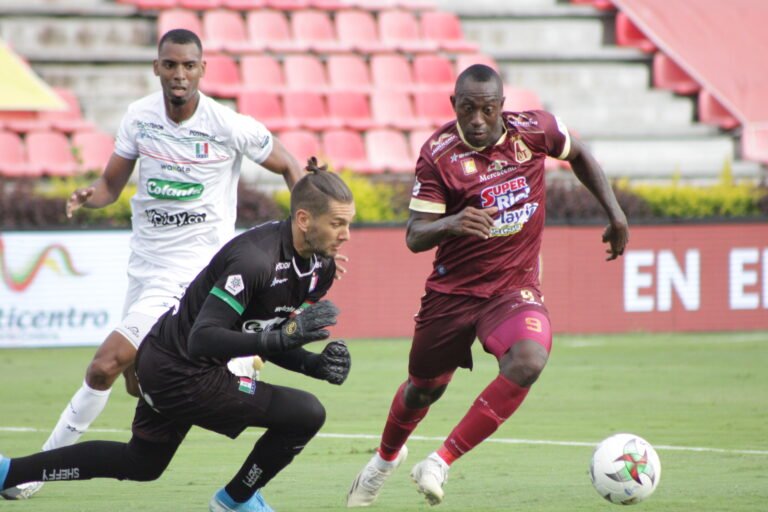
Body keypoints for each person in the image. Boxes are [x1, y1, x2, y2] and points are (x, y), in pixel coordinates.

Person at [1, 28, 306, 500]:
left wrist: (307, 221)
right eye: (170, 64)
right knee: (136, 385)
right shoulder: (139, 118)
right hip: (144, 270)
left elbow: (289, 165)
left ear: (202, 70)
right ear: (157, 68)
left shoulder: (227, 124)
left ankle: (27, 474)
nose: (179, 74)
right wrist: (91, 196)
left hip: (192, 276)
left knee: (104, 366)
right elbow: (111, 184)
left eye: (189, 65)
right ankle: (233, 366)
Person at [346, 64, 629, 507]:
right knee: (424, 388)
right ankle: (384, 461)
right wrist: (454, 222)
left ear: (501, 106)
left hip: (512, 290)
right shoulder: (438, 155)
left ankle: (439, 461)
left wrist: (615, 214)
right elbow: (414, 236)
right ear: (453, 105)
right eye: (467, 109)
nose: (477, 120)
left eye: (487, 109)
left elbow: (579, 154)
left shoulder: (535, 131)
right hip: (452, 295)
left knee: (529, 360)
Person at [0, 161, 356, 512]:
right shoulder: (255, 260)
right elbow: (205, 338)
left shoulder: (320, 268)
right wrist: (280, 339)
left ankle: (8, 472)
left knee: (142, 463)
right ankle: (236, 501)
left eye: (348, 224)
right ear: (304, 219)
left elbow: (260, 332)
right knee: (306, 413)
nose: (346, 235)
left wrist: (313, 365)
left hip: (169, 361)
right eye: (337, 223)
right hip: (181, 371)